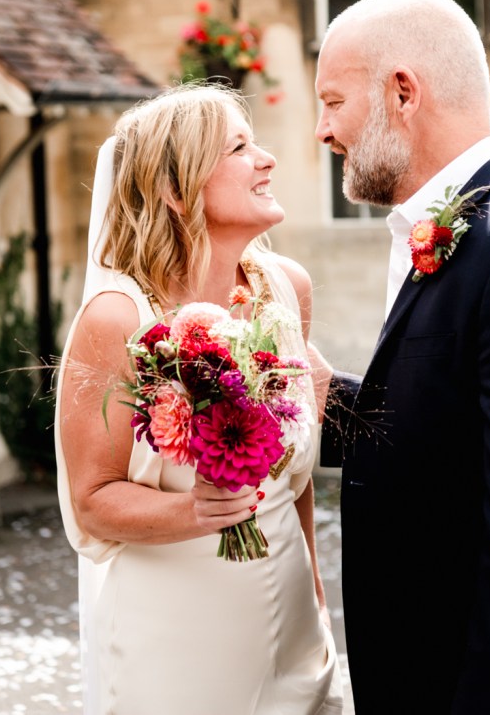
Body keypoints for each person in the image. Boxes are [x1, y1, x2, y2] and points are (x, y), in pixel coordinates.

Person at [314, 0, 490, 715]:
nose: (321, 130)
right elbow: (454, 433)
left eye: (333, 102)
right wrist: (333, 399)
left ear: (402, 92)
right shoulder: (442, 226)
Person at [55, 83, 344, 715]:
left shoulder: (286, 290)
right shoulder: (116, 318)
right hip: (176, 644)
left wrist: (318, 596)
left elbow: (293, 480)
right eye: (241, 148)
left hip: (296, 633)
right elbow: (91, 501)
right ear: (176, 189)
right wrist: (197, 511)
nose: (267, 159)